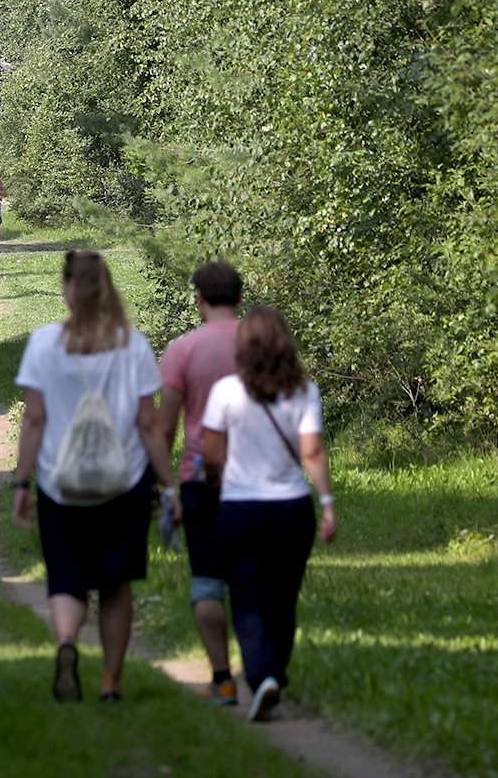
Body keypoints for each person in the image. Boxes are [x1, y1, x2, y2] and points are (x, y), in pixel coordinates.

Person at [12, 250, 180, 703]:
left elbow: (34, 418)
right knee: (115, 582)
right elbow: (148, 423)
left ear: (68, 290)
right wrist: (169, 484)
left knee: (66, 575)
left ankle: (67, 642)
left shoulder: (45, 344)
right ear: (107, 288)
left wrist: (22, 482)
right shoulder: (134, 345)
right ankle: (110, 681)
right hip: (122, 483)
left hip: (58, 483)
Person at [199, 304, 336, 724]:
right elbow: (311, 450)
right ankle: (274, 670)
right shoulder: (303, 390)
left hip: (240, 507)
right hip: (291, 508)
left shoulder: (226, 391)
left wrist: (216, 482)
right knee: (283, 595)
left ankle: (260, 677)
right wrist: (327, 502)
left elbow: (211, 451)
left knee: (246, 595)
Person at [156, 261, 245, 705]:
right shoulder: (264, 344)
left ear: (199, 300)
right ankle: (263, 669)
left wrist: (168, 486)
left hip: (199, 478)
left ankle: (223, 676)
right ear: (240, 298)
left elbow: (165, 427)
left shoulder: (182, 350)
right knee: (251, 577)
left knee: (208, 580)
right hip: (259, 481)